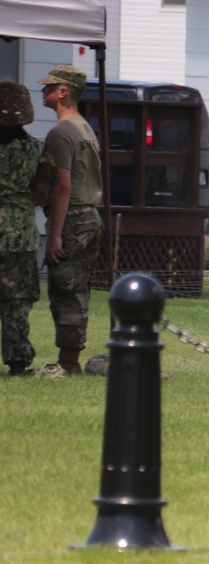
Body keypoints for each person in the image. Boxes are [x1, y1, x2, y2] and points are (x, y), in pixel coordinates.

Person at [38, 65, 103, 376]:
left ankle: (68, 364)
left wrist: (54, 235)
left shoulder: (60, 133)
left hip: (73, 218)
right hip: (91, 215)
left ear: (62, 92)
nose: (43, 91)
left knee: (65, 290)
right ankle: (71, 358)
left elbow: (62, 184)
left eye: (48, 87)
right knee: (78, 290)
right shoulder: (84, 128)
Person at [0, 82, 43, 376]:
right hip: (20, 234)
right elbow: (41, 193)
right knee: (16, 301)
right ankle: (17, 363)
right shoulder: (35, 149)